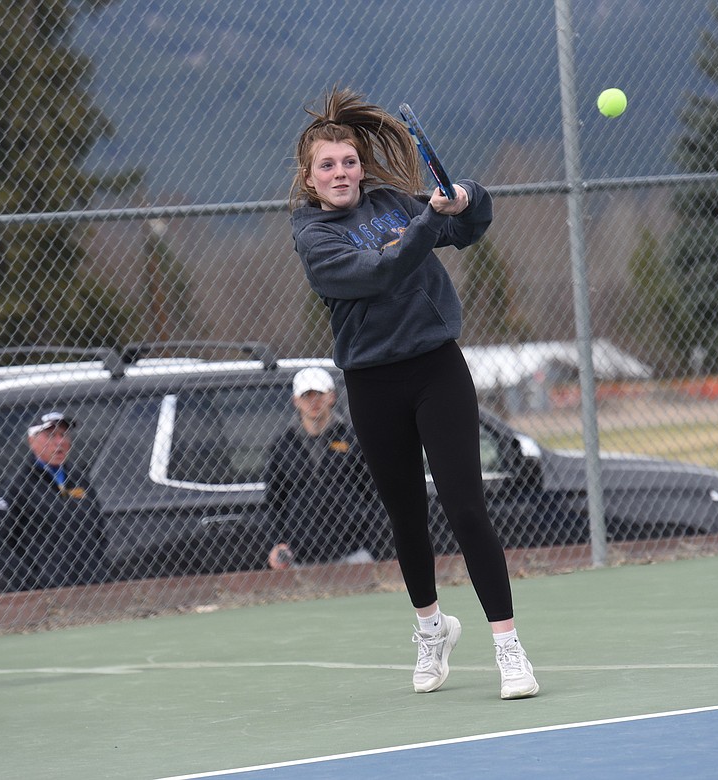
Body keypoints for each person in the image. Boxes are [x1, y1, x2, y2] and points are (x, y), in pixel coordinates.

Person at [289, 86, 538, 700]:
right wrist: (430, 221)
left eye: (348, 161)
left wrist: (466, 200)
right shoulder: (313, 237)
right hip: (373, 384)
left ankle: (509, 647)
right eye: (328, 165)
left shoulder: (394, 203)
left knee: (465, 507)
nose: (341, 172)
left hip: (437, 370)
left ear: (360, 164)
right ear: (310, 177)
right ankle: (433, 629)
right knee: (405, 516)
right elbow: (381, 271)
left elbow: (467, 229)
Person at [264, 367, 385, 570]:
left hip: (354, 553)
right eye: (306, 395)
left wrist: (372, 544)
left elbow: (374, 494)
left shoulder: (354, 439)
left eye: (319, 394)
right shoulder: (282, 446)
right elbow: (275, 500)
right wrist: (277, 543)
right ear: (295, 401)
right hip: (300, 558)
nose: (313, 401)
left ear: (332, 397)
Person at [0, 411, 108, 590]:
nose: (60, 442)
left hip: (89, 588)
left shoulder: (79, 479)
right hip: (45, 593)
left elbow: (99, 529)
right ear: (32, 441)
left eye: (64, 435)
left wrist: (95, 569)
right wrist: (32, 583)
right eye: (51, 435)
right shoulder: (16, 486)